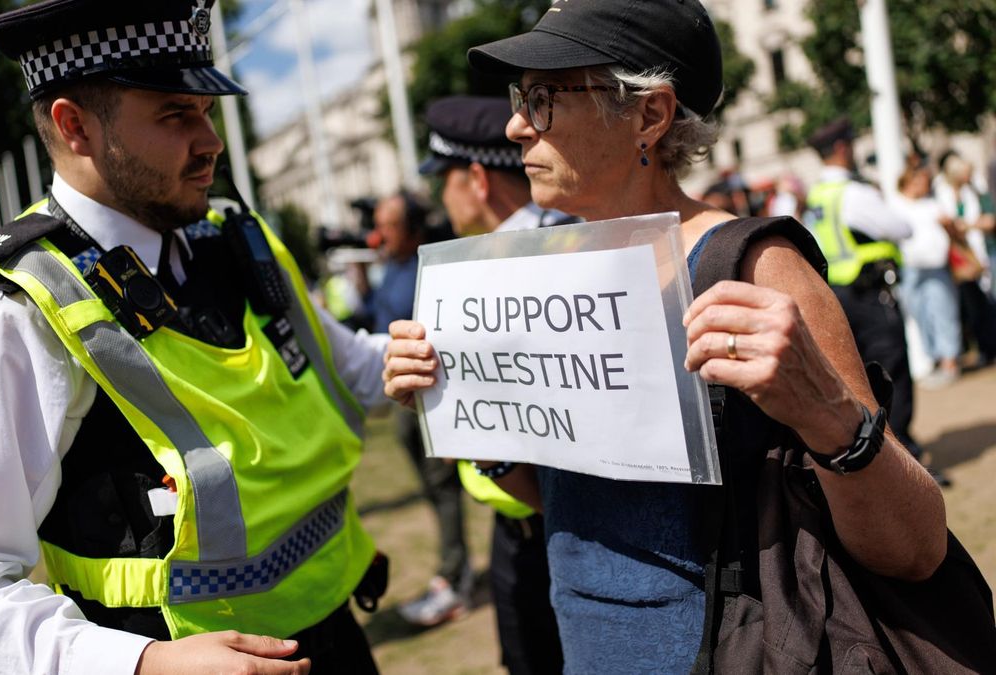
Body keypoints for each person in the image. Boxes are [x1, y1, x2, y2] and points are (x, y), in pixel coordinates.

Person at [381, 1, 947, 671]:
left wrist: (826, 411)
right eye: (519, 98)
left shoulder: (756, 266)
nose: (514, 126)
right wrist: (469, 407)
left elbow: (916, 545)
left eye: (543, 98)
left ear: (649, 113)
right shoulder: (542, 270)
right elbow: (576, 510)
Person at [0, 2, 390, 673]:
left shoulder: (236, 241)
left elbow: (351, 368)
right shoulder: (10, 312)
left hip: (336, 633)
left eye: (206, 112)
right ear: (74, 126)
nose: (211, 141)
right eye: (176, 115)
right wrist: (144, 662)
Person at [418, 94, 564, 673]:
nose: (439, 196)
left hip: (564, 529)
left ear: (476, 179)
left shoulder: (556, 252)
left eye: (444, 180)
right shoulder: (480, 263)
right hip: (513, 529)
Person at [803, 119, 948, 483]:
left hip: (838, 294)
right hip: (870, 295)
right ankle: (905, 462)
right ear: (841, 149)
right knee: (892, 372)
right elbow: (901, 228)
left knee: (859, 378)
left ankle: (881, 455)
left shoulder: (819, 194)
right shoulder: (853, 192)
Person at [366, 190, 475, 626]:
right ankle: (453, 569)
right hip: (401, 401)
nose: (379, 235)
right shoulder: (389, 269)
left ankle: (454, 576)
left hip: (431, 398)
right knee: (433, 491)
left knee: (444, 488)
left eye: (388, 226)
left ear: (411, 230)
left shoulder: (430, 269)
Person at [892, 161, 962, 387]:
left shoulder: (932, 204)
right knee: (920, 314)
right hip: (911, 267)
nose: (925, 184)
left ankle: (949, 360)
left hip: (936, 265)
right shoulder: (896, 205)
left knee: (943, 311)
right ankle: (934, 358)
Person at [935, 151, 996, 362]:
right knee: (970, 305)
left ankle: (988, 347)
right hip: (957, 257)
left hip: (976, 254)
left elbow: (989, 219)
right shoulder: (941, 193)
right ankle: (981, 347)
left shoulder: (974, 192)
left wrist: (968, 225)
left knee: (984, 302)